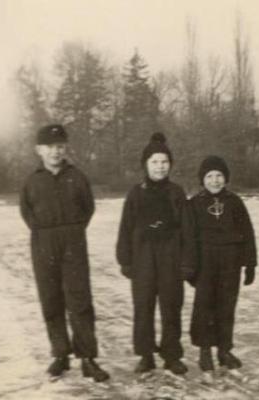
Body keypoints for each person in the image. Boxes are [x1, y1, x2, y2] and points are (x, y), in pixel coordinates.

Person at [19, 124, 109, 382]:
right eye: (49, 147)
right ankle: (60, 354)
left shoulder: (77, 176)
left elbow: (87, 208)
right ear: (39, 150)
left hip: (73, 241)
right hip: (43, 241)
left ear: (65, 148)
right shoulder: (32, 180)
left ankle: (88, 358)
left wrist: (72, 230)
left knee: (79, 300)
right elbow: (26, 212)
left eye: (60, 146)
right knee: (51, 299)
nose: (55, 152)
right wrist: (46, 233)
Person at [116, 132, 190, 375]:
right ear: (145, 165)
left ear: (170, 165)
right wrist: (125, 260)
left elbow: (188, 229)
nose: (160, 167)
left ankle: (171, 355)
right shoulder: (136, 194)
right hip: (143, 259)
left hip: (170, 257)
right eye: (155, 162)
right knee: (143, 307)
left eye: (164, 162)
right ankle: (146, 354)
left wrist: (187, 261)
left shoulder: (176, 193)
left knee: (171, 306)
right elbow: (125, 228)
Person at [185, 155, 257, 372]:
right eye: (209, 176)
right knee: (204, 306)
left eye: (219, 176)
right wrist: (189, 267)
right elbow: (188, 237)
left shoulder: (235, 202)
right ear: (202, 179)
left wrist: (250, 264)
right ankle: (205, 350)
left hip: (230, 264)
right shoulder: (194, 204)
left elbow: (247, 233)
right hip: (205, 264)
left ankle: (224, 350)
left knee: (227, 306)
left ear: (225, 179)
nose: (214, 180)